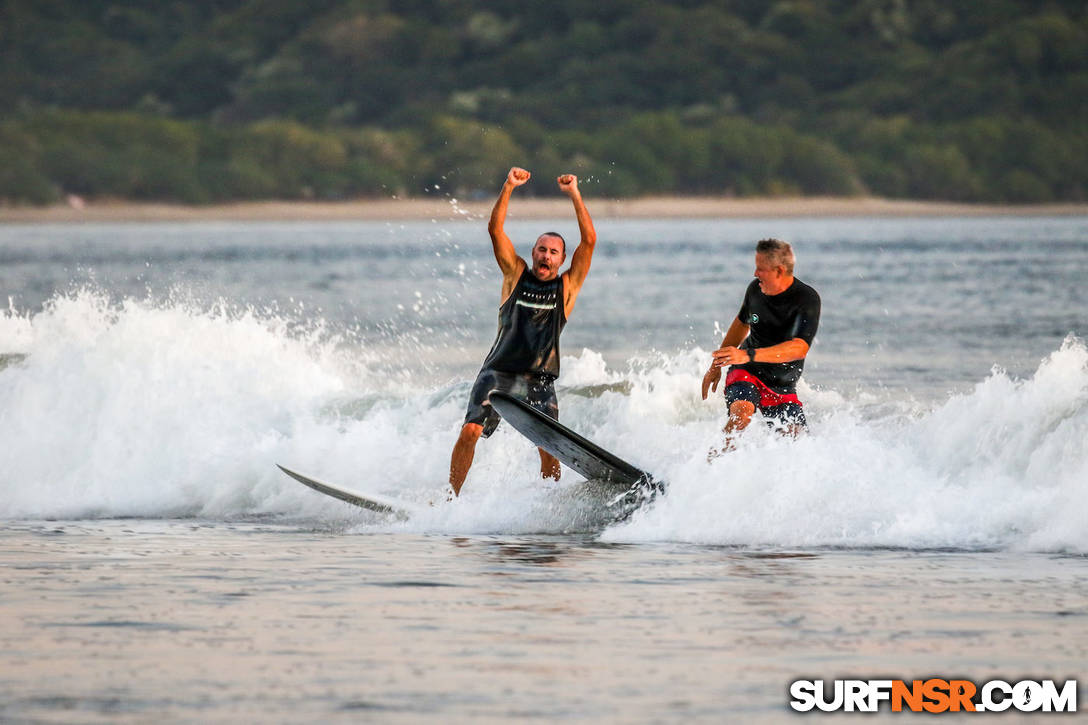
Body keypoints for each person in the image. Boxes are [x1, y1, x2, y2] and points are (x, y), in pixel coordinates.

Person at [449, 166, 597, 496]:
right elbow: (495, 229)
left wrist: (574, 194)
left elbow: (589, 240)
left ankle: (547, 504)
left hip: (539, 380)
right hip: (497, 374)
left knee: (549, 447)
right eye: (541, 250)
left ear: (561, 259)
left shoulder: (567, 287)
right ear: (532, 253)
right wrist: (508, 186)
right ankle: (451, 498)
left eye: (553, 252)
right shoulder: (514, 276)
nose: (546, 256)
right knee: (470, 432)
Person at [701, 238, 820, 450]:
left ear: (779, 271)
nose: (755, 274)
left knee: (798, 442)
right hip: (746, 371)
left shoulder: (806, 299)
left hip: (781, 384)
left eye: (761, 269)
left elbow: (799, 348)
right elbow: (740, 324)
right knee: (742, 415)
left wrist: (748, 355)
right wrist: (715, 366)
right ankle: (709, 465)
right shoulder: (756, 290)